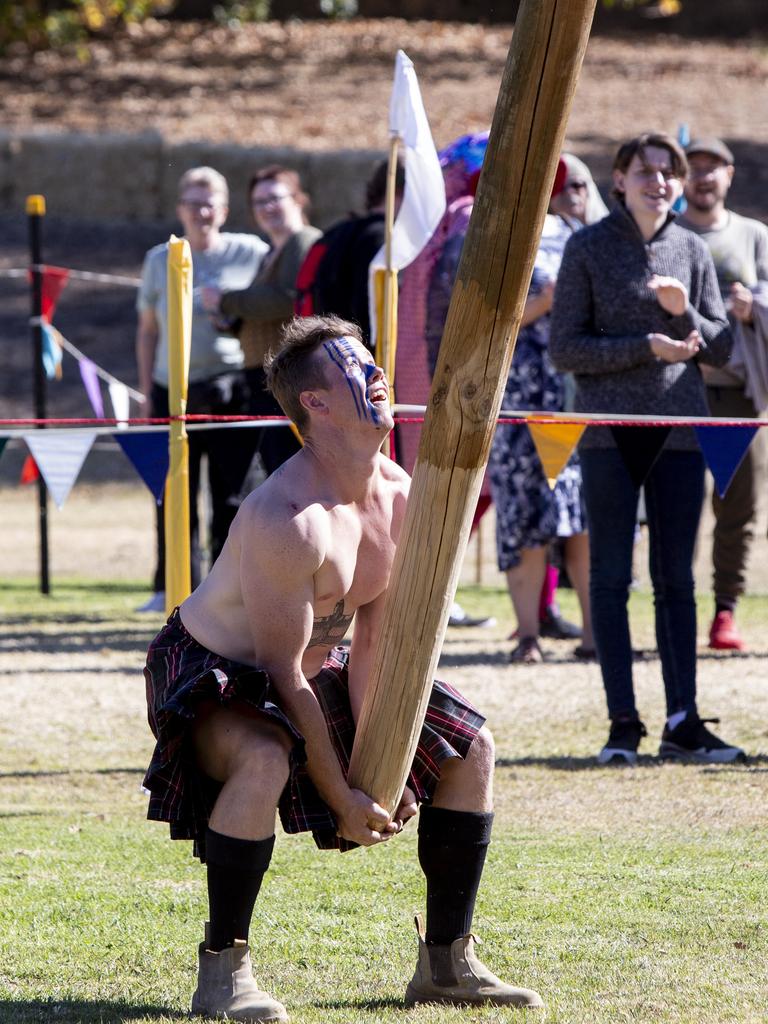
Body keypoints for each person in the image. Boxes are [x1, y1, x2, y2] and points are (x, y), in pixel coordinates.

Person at [142, 314, 544, 1022]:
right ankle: (222, 970)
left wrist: (377, 773)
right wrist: (340, 795)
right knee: (263, 757)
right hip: (215, 668)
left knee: (470, 748)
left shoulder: (399, 495)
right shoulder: (288, 519)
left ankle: (447, 963)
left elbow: (377, 645)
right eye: (355, 367)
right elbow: (282, 676)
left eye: (372, 360)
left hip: (312, 663)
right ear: (315, 404)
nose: (379, 374)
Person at [549, 132, 744, 765]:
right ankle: (622, 725)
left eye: (669, 172)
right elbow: (566, 349)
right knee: (608, 578)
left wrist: (685, 315)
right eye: (646, 171)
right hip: (610, 431)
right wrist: (645, 347)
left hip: (683, 432)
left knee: (675, 582)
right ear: (621, 180)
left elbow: (719, 349)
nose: (658, 181)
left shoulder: (691, 247)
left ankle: (683, 720)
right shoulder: (587, 247)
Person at [485, 156, 606, 663]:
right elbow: (486, 320)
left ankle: (595, 636)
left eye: (580, 183)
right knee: (526, 516)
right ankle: (528, 633)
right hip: (518, 401)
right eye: (561, 184)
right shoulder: (506, 238)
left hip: (577, 400)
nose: (570, 192)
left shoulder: (594, 239)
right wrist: (545, 303)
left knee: (581, 518)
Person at [136, 166, 269, 612]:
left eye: (210, 202)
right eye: (193, 203)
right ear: (180, 210)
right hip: (171, 391)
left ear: (225, 210)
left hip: (232, 389)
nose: (202, 211)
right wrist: (144, 392)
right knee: (174, 493)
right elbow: (148, 329)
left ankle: (224, 588)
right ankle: (170, 587)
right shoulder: (160, 259)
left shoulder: (251, 252)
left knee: (232, 494)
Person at [678, 137, 768, 652]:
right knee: (679, 507)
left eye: (713, 168)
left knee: (738, 508)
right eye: (695, 168)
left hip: (739, 396)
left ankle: (726, 611)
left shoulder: (754, 235)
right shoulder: (668, 234)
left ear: (730, 175)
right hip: (681, 392)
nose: (704, 177)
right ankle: (679, 607)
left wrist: (753, 308)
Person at [206, 166, 322, 476]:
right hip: (266, 380)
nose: (266, 208)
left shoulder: (303, 241)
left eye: (274, 198)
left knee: (289, 470)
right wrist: (231, 322)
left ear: (298, 199)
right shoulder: (273, 251)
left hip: (287, 378)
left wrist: (226, 299)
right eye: (258, 202)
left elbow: (287, 299)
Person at [295, 157, 405, 349]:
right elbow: (371, 308)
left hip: (327, 352)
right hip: (362, 359)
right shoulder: (381, 237)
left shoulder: (335, 233)